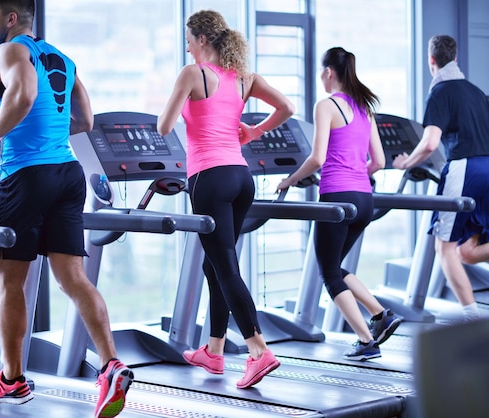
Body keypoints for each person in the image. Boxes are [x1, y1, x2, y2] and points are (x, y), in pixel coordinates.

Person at [0, 1, 133, 416]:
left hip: (27, 176)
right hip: (68, 172)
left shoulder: (9, 51)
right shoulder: (62, 57)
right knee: (74, 278)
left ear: (11, 18)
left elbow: (24, 95)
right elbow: (85, 120)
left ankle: (11, 380)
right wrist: (46, 130)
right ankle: (111, 365)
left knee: (12, 282)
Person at [157, 10, 295, 388]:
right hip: (240, 177)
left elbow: (163, 126)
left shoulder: (192, 74)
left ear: (203, 39)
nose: (186, 46)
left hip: (208, 178)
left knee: (226, 268)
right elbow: (287, 107)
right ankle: (214, 351)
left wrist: (178, 105)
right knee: (215, 266)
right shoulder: (244, 78)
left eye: (188, 39)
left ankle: (258, 350)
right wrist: (254, 132)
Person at [276, 47, 402, 361]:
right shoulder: (365, 107)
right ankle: (380, 315)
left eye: (322, 72)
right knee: (336, 267)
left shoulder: (326, 106)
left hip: (337, 198)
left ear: (329, 72)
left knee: (329, 273)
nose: (321, 77)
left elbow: (317, 158)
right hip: (364, 199)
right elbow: (380, 161)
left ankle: (365, 340)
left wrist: (289, 181)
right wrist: (358, 173)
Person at [392, 35, 489, 322]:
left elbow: (431, 142)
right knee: (468, 252)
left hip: (464, 169)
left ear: (431, 60)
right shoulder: (475, 92)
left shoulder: (440, 92)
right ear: (455, 58)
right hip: (487, 167)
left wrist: (405, 162)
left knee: (444, 248)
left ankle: (473, 321)